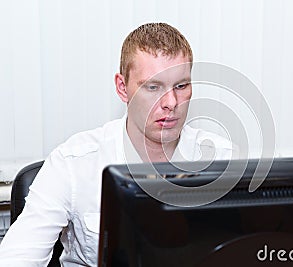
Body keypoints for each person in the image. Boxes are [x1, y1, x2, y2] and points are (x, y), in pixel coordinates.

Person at [0, 23, 235, 266]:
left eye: (181, 86)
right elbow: (17, 257)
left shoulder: (222, 159)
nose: (171, 102)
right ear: (123, 88)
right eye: (153, 87)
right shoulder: (74, 163)